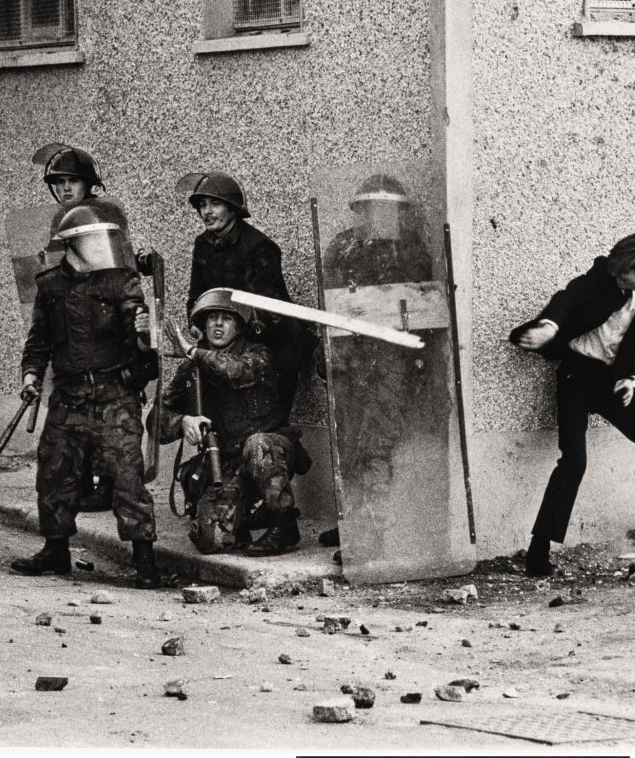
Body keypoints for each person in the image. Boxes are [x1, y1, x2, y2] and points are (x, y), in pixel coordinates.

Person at [510, 232, 635, 578]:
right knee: (574, 461)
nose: (616, 278)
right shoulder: (602, 273)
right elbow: (568, 297)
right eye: (615, 272)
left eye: (625, 275)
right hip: (577, 375)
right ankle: (539, 551)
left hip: (616, 385)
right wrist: (549, 325)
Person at [9, 199, 162, 589]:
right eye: (95, 239)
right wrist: (30, 376)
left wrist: (144, 333)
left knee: (128, 477)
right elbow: (38, 341)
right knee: (54, 471)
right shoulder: (50, 286)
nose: (102, 246)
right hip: (68, 395)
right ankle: (55, 550)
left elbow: (142, 344)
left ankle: (145, 559)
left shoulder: (120, 282)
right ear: (75, 244)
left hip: (114, 395)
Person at [316, 173, 448, 562]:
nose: (380, 216)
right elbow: (330, 304)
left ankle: (371, 535)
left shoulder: (411, 252)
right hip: (348, 362)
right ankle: (353, 521)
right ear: (360, 211)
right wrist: (326, 353)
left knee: (376, 447)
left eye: (388, 209)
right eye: (372, 208)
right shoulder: (342, 248)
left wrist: (419, 368)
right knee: (348, 443)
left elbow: (422, 312)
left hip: (391, 366)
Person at [158, 288, 309, 555]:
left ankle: (283, 524)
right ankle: (244, 519)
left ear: (239, 326)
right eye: (211, 318)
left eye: (225, 318)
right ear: (203, 325)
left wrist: (193, 352)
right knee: (210, 538)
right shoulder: (190, 370)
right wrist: (183, 421)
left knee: (258, 444)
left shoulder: (257, 354)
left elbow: (234, 371)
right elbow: (157, 419)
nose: (217, 324)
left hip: (268, 454)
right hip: (226, 463)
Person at [176, 171, 316, 412]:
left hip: (272, 346)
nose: (207, 212)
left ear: (232, 209)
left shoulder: (258, 247)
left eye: (215, 204)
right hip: (228, 346)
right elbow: (197, 295)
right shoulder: (202, 244)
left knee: (268, 423)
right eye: (202, 205)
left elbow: (268, 310)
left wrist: (230, 340)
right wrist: (196, 322)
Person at [30, 142, 117, 513]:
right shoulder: (59, 220)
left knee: (108, 412)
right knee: (69, 410)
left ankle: (110, 483)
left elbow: (114, 275)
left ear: (89, 184)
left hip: (103, 328)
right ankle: (78, 480)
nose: (66, 189)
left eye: (73, 181)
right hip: (66, 326)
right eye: (60, 182)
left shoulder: (105, 216)